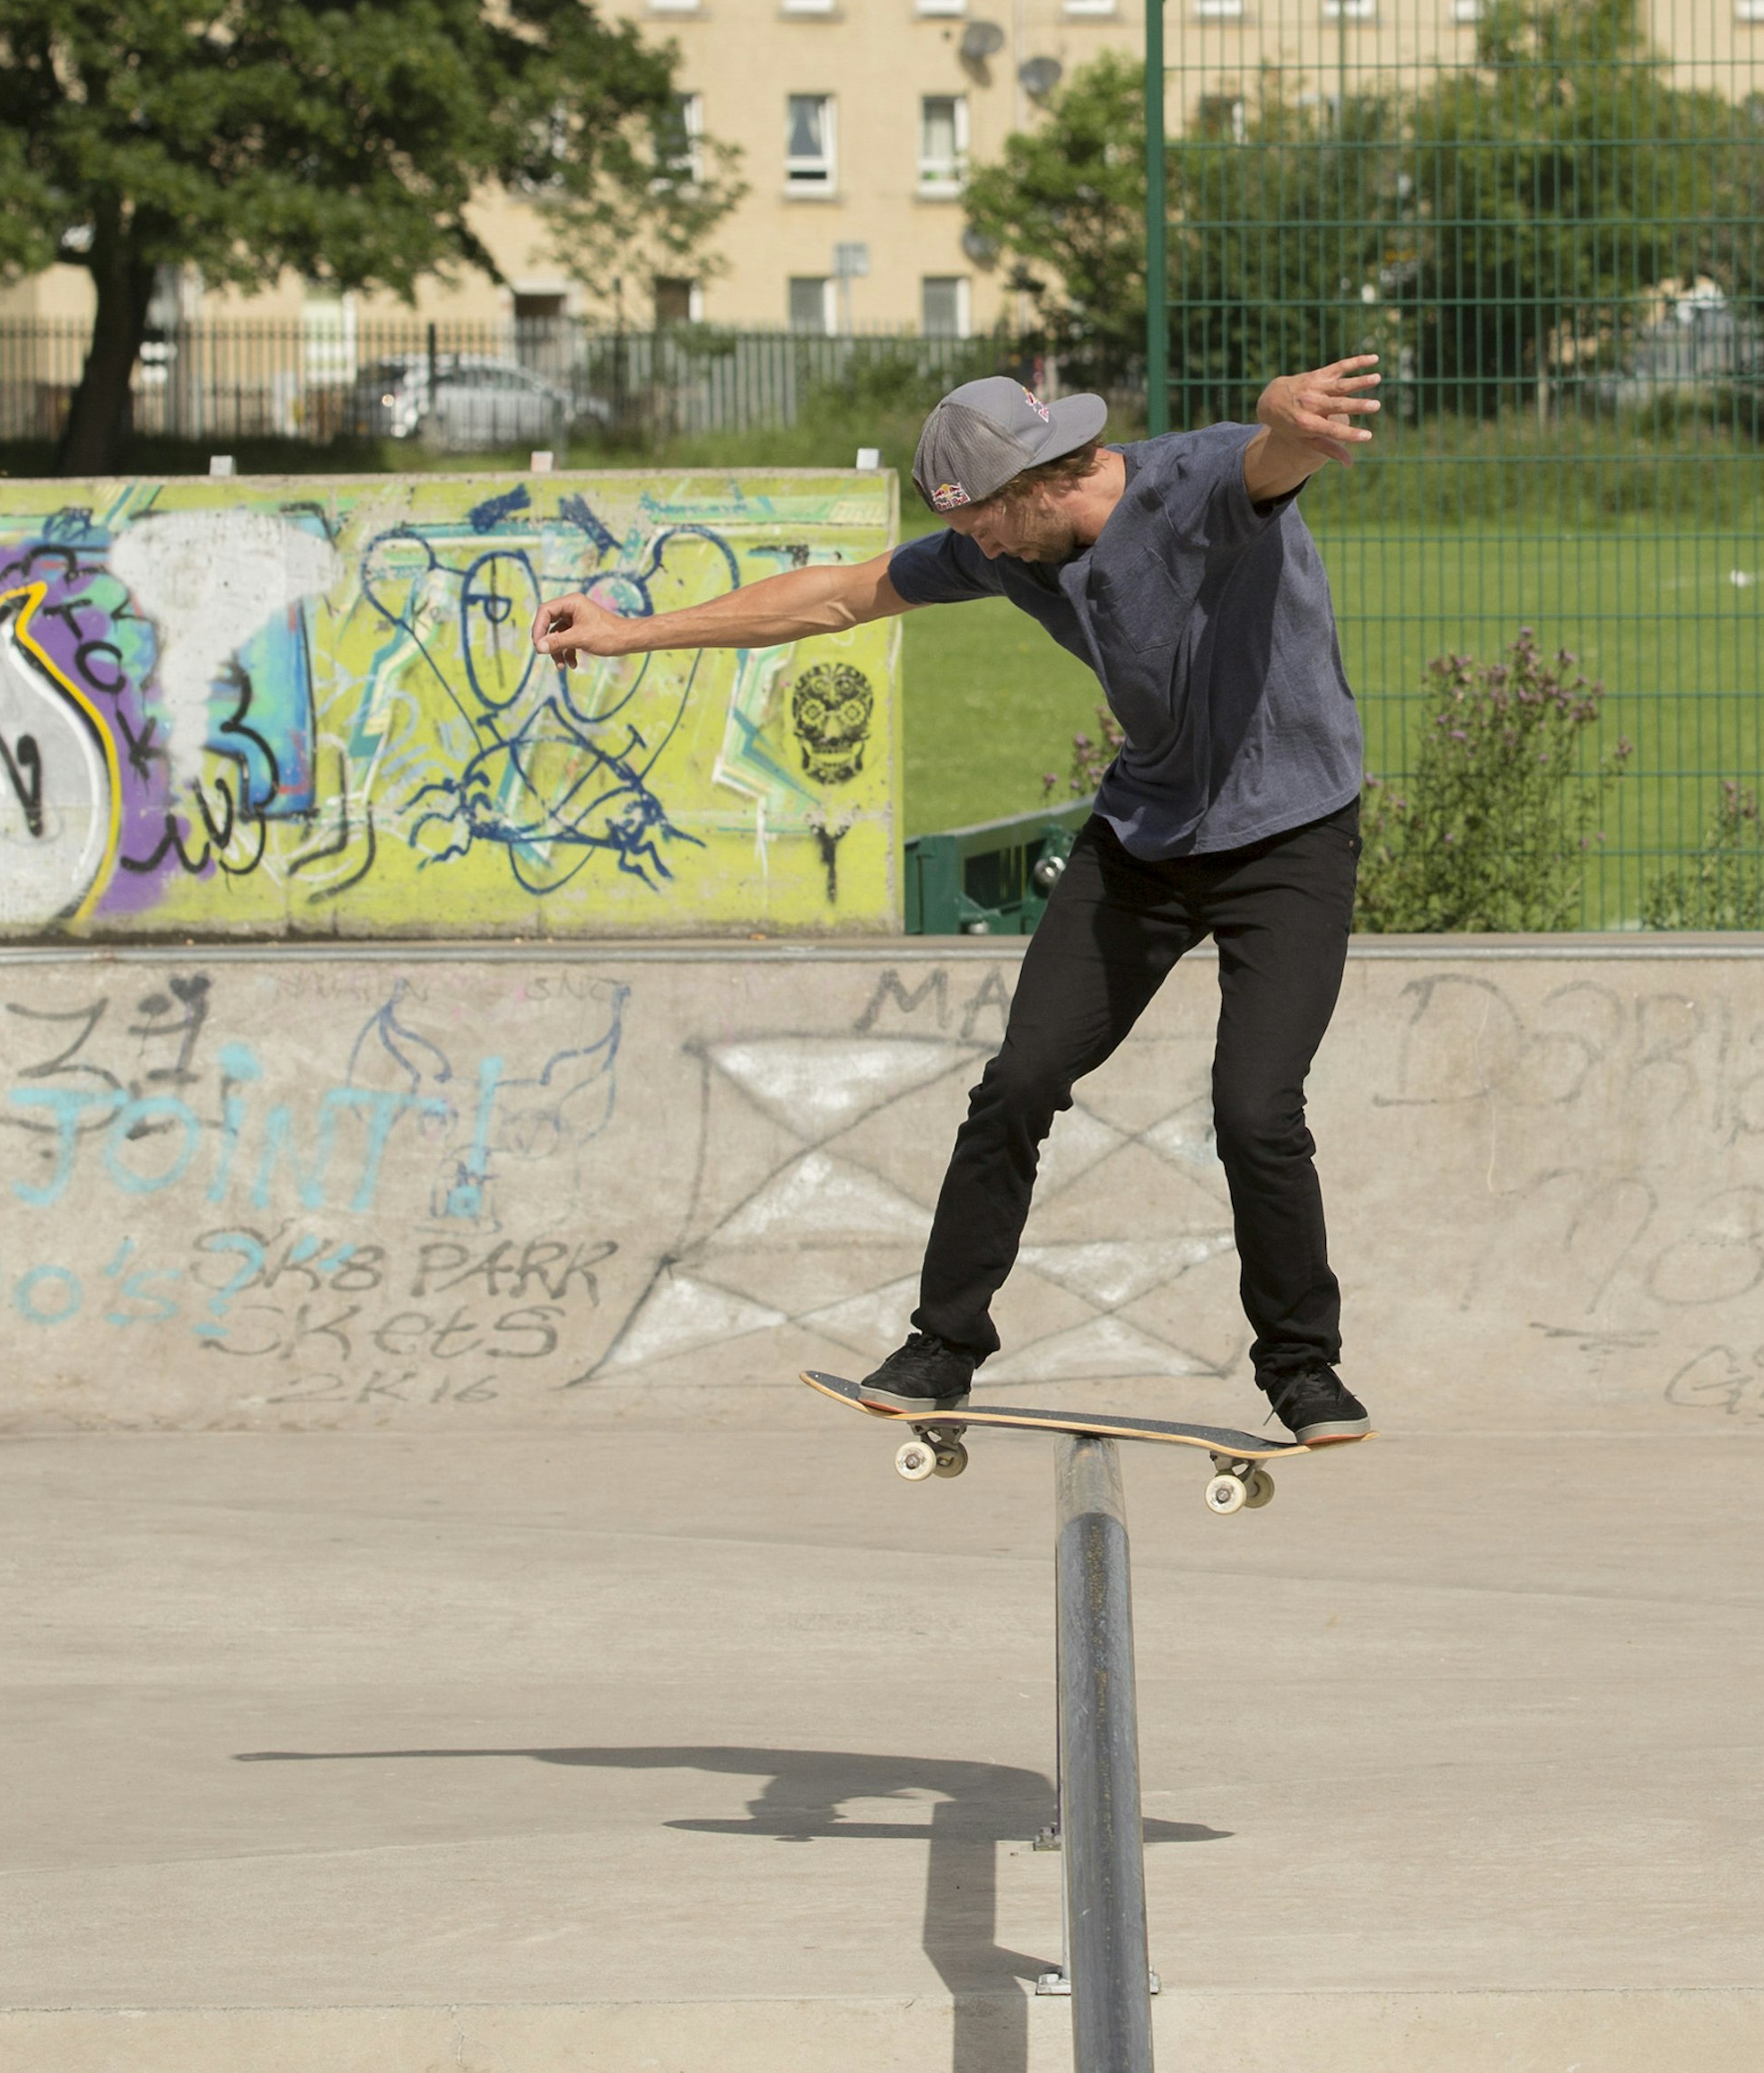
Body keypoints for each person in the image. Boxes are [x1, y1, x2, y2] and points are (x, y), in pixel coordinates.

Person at [534, 360, 1382, 1444]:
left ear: (1039, 478)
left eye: (983, 522)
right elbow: (836, 595)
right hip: (1146, 839)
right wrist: (631, 631)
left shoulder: (1192, 484)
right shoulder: (1006, 546)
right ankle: (943, 1345)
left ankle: (1303, 1368)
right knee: (1020, 1078)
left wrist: (1283, 416)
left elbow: (1274, 459)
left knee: (1254, 1110)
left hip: (1291, 835)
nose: (977, 549)